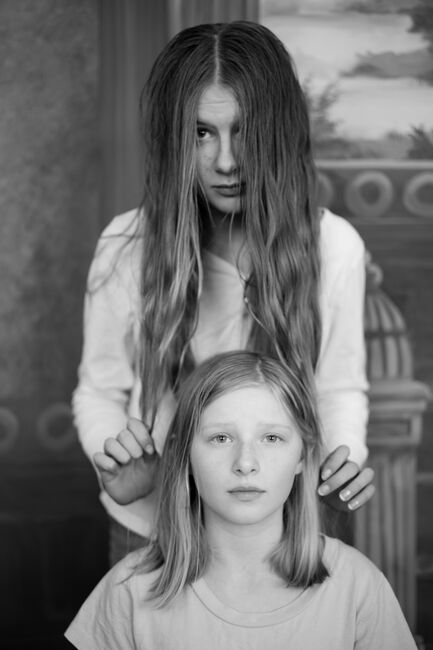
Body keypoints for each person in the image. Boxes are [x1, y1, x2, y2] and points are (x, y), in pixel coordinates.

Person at [72, 20, 375, 565]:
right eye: (201, 133)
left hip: (286, 532)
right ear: (173, 139)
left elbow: (338, 388)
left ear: (278, 132)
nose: (227, 162)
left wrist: (341, 463)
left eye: (245, 131)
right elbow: (99, 390)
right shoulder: (126, 245)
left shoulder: (335, 247)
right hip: (152, 529)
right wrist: (118, 464)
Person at [66, 352, 414, 650]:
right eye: (220, 438)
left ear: (303, 456)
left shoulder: (358, 586)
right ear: (184, 455)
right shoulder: (129, 590)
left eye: (272, 438)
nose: (245, 463)